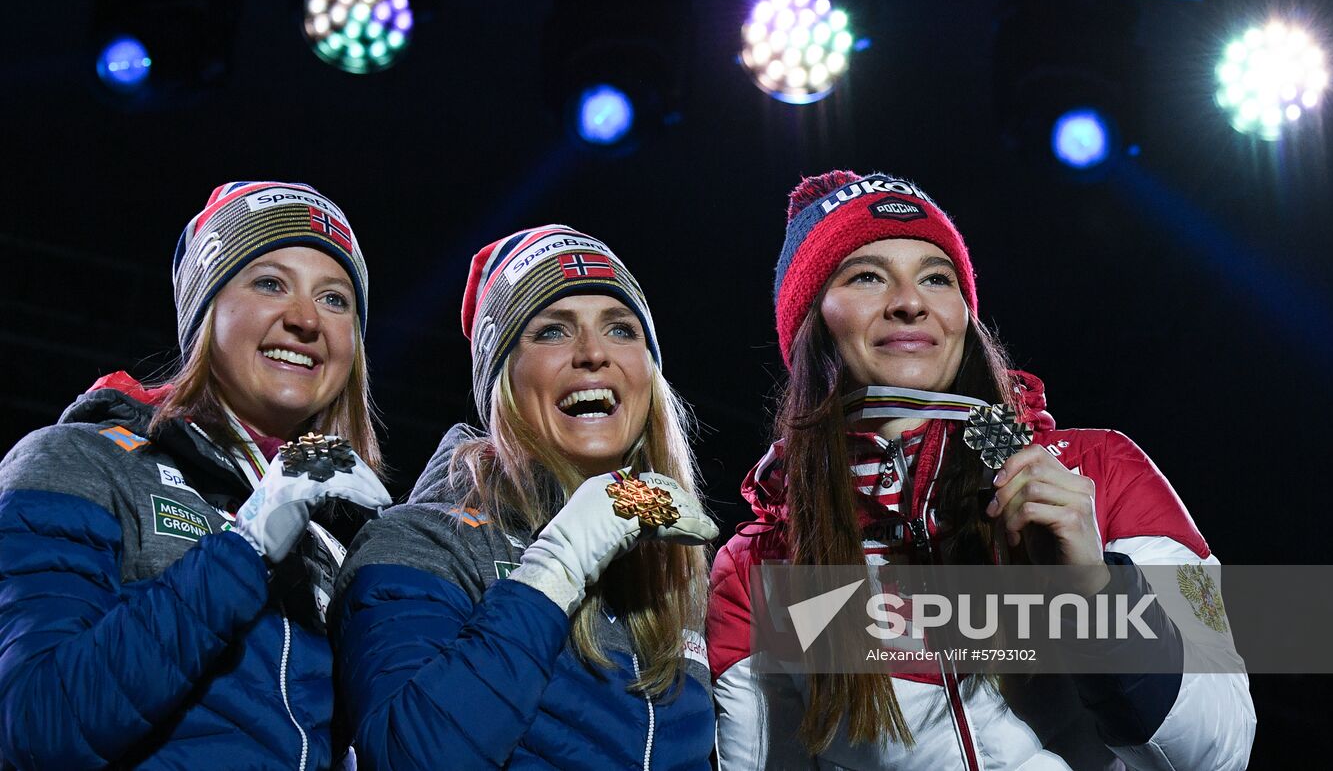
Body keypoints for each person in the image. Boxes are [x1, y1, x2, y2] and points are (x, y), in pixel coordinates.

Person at [707, 171, 1256, 769]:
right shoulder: (757, 566)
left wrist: (1095, 591)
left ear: (963, 316)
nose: (910, 302)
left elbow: (1216, 753)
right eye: (867, 275)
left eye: (936, 278)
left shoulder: (1100, 472)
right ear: (811, 321)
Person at [0, 181, 392, 771]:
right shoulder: (82, 461)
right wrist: (249, 543)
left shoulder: (346, 538)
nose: (307, 319)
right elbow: (32, 727)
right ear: (207, 311)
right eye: (269, 283)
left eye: (336, 299)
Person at [332, 224, 719, 770]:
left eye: (621, 329)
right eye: (553, 332)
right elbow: (408, 756)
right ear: (503, 379)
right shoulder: (419, 543)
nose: (592, 354)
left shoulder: (679, 569)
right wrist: (560, 564)